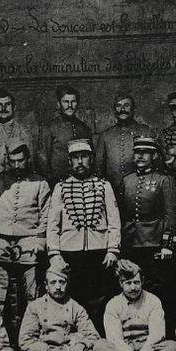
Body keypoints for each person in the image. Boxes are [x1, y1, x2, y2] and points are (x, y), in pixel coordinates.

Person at [46, 138, 122, 326]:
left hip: (99, 251)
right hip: (70, 253)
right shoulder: (61, 188)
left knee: (99, 297)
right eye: (75, 158)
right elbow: (53, 224)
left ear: (91, 159)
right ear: (70, 161)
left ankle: (97, 340)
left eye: (84, 157)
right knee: (74, 297)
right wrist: (54, 253)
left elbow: (114, 220)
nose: (80, 162)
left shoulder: (104, 186)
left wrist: (113, 249)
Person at [0, 143, 51, 339]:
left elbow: (46, 215)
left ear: (28, 159)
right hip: (2, 243)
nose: (16, 165)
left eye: (21, 161)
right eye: (12, 161)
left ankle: (31, 338)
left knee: (31, 294)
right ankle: (0, 338)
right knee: (0, 295)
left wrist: (40, 240)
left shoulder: (40, 183)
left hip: (29, 242)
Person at [11, 257, 101, 351]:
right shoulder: (35, 306)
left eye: (62, 282)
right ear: (46, 286)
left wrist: (80, 345)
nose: (58, 287)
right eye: (53, 282)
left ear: (67, 284)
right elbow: (25, 340)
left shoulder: (75, 307)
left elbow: (92, 335)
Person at [118, 133, 176, 318]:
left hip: (154, 242)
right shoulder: (127, 180)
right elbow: (121, 214)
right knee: (132, 286)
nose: (140, 157)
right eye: (137, 152)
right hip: (131, 243)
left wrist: (168, 245)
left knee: (157, 288)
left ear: (154, 156)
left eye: (145, 153)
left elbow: (171, 214)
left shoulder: (164, 180)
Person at [95, 259, 176, 351]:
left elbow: (157, 335)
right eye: (128, 283)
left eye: (136, 282)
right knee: (100, 346)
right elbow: (115, 339)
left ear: (143, 281)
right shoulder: (113, 304)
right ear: (121, 283)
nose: (133, 287)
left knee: (173, 347)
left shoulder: (153, 301)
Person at [93, 91, 155, 193]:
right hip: (112, 191)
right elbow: (98, 167)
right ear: (114, 110)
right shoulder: (105, 135)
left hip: (139, 191)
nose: (122, 109)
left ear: (133, 108)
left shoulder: (145, 131)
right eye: (118, 106)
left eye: (126, 105)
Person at [36, 86, 92, 181]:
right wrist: (51, 180)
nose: (70, 105)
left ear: (77, 103)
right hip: (57, 182)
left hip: (81, 181)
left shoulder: (84, 128)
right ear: (59, 104)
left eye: (73, 102)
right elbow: (42, 159)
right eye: (66, 102)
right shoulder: (49, 128)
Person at [0, 88, 39, 182]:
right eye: (0, 105)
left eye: (7, 104)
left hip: (18, 184)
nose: (3, 108)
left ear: (14, 107)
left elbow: (31, 162)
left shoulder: (24, 132)